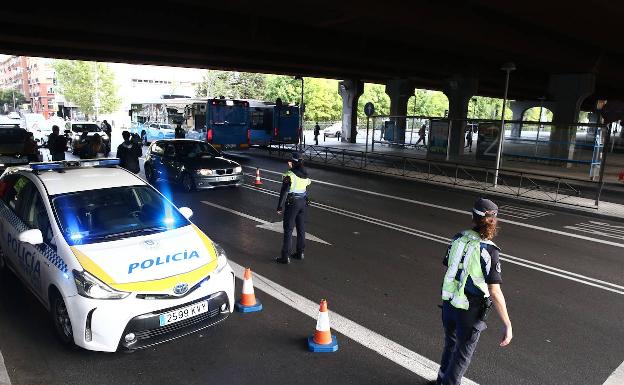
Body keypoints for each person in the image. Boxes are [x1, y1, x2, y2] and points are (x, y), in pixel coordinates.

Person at [434, 198, 512, 385]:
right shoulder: (489, 250)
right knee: (462, 354)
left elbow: (450, 265)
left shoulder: (457, 238)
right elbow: (494, 290)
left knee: (450, 345)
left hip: (449, 304)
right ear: (494, 220)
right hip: (469, 311)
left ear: (472, 217)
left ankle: (440, 380)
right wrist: (507, 324)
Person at [274, 152, 312, 264]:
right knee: (301, 228)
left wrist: (279, 206)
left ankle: (285, 257)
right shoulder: (305, 173)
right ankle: (300, 253)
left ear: (292, 162)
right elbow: (304, 186)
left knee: (288, 229)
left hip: (293, 203)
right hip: (303, 202)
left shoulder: (289, 174)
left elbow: (284, 191)